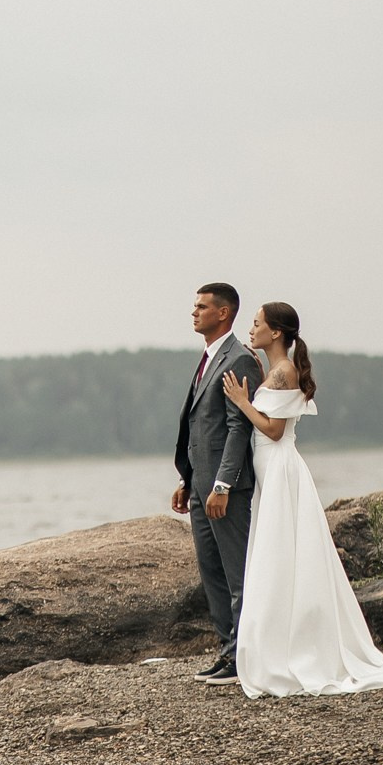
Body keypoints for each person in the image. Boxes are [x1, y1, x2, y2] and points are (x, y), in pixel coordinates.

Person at [219, 302, 383, 697]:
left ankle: (289, 645)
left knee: (281, 552)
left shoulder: (284, 371)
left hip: (281, 469)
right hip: (270, 472)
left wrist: (242, 402)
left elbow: (273, 430)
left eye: (256, 324)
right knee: (278, 552)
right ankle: (277, 640)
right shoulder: (274, 370)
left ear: (275, 333)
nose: (250, 329)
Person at [170, 283, 263, 686]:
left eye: (202, 306)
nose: (194, 312)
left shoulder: (238, 358)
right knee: (212, 572)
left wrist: (223, 484)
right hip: (200, 486)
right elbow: (199, 426)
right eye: (195, 306)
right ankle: (228, 651)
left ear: (223, 313)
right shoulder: (209, 357)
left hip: (226, 490)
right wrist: (187, 479)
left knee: (237, 573)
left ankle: (245, 656)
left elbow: (237, 427)